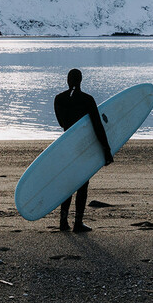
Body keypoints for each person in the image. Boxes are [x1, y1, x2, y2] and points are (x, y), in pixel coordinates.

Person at [53, 68, 113, 232]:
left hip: (66, 146)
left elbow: (61, 123)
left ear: (67, 80)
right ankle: (78, 223)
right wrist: (106, 149)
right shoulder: (87, 100)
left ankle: (63, 222)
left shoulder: (59, 99)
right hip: (82, 147)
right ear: (80, 81)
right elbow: (97, 126)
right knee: (82, 184)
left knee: (68, 185)